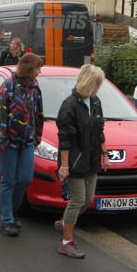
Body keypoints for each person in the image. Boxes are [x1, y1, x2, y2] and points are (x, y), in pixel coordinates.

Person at [55, 64, 110, 258]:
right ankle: (66, 242)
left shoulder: (95, 102)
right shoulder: (69, 105)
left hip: (92, 158)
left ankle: (64, 223)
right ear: (89, 82)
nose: (98, 88)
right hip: (75, 160)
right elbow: (64, 138)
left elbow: (99, 130)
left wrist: (104, 153)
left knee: (87, 200)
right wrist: (64, 166)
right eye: (96, 83)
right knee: (77, 200)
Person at [0, 53, 44, 236]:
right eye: (37, 68)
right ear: (29, 68)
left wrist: (37, 135)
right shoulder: (9, 86)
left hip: (27, 140)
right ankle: (6, 220)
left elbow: (38, 113)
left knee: (25, 178)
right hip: (8, 141)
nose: (39, 72)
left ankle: (12, 210)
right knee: (8, 179)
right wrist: (0, 138)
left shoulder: (35, 87)